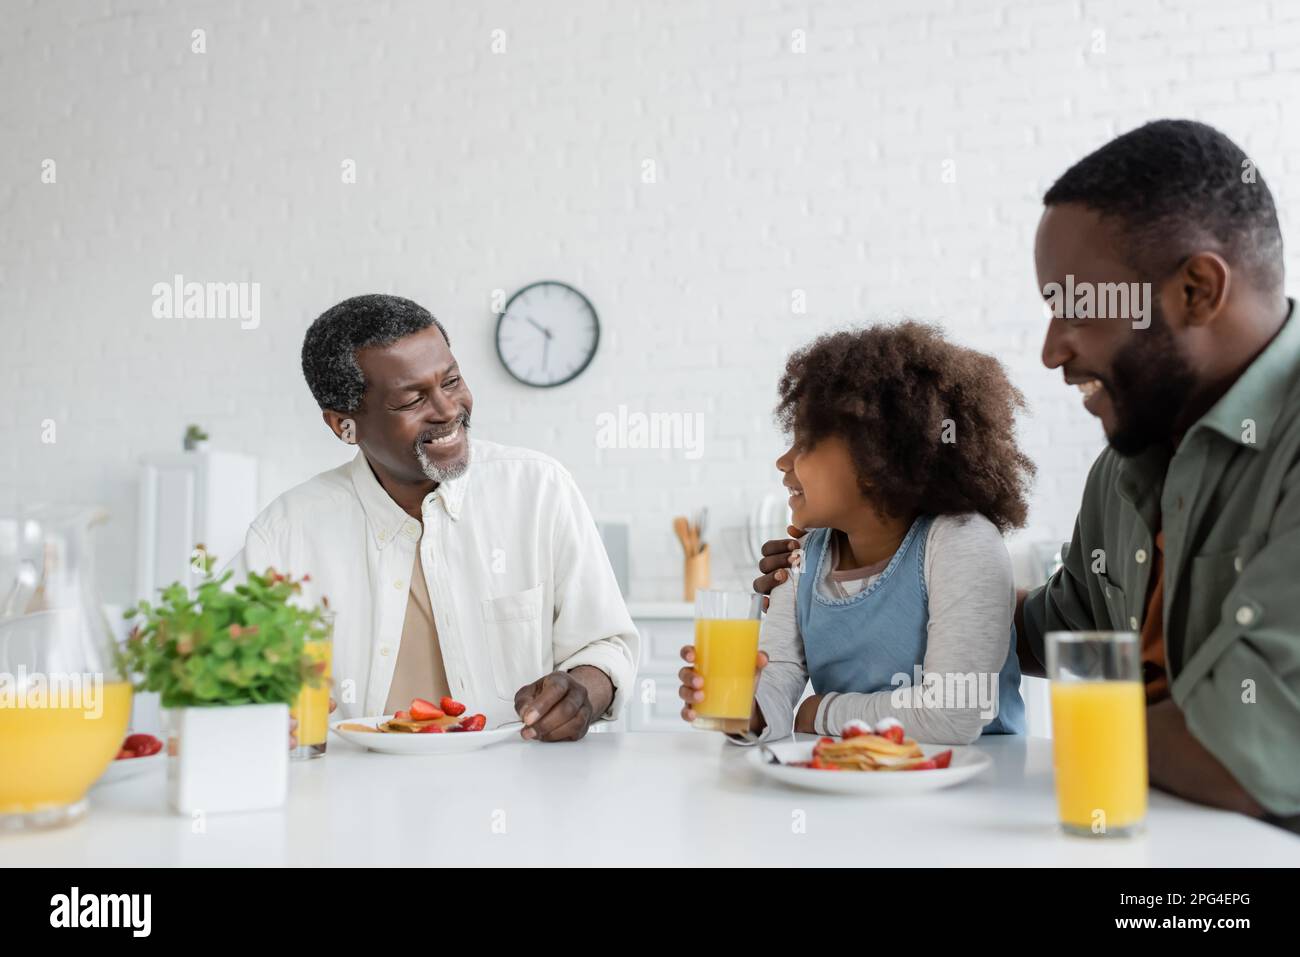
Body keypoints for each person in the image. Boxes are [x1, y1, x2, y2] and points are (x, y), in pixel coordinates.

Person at [756, 120, 1300, 830]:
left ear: (1196, 290)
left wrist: (835, 711)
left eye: (1076, 307)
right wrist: (878, 580)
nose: (1051, 351)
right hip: (1126, 831)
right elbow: (1055, 623)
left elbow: (1249, 747)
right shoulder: (1125, 470)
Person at [229, 294, 638, 742]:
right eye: (412, 400)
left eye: (452, 381)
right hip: (350, 797)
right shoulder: (285, 534)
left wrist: (584, 691)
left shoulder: (538, 489)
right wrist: (256, 708)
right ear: (344, 425)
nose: (447, 410)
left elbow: (606, 645)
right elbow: (230, 678)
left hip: (515, 790)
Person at [684, 322, 1033, 744]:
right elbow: (778, 680)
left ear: (876, 460)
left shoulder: (961, 542)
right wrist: (745, 710)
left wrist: (823, 711)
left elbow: (952, 715)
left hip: (978, 780)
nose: (783, 461)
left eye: (805, 443)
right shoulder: (802, 557)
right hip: (855, 777)